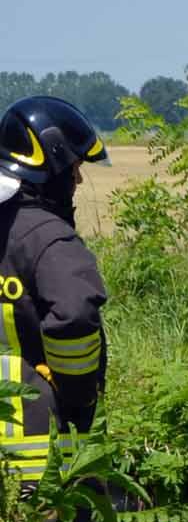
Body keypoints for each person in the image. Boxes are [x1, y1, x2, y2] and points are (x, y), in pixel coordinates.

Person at [0, 97, 110, 486]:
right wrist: (77, 392)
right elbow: (75, 314)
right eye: (76, 167)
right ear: (54, 163)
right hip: (35, 451)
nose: (78, 181)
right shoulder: (48, 240)